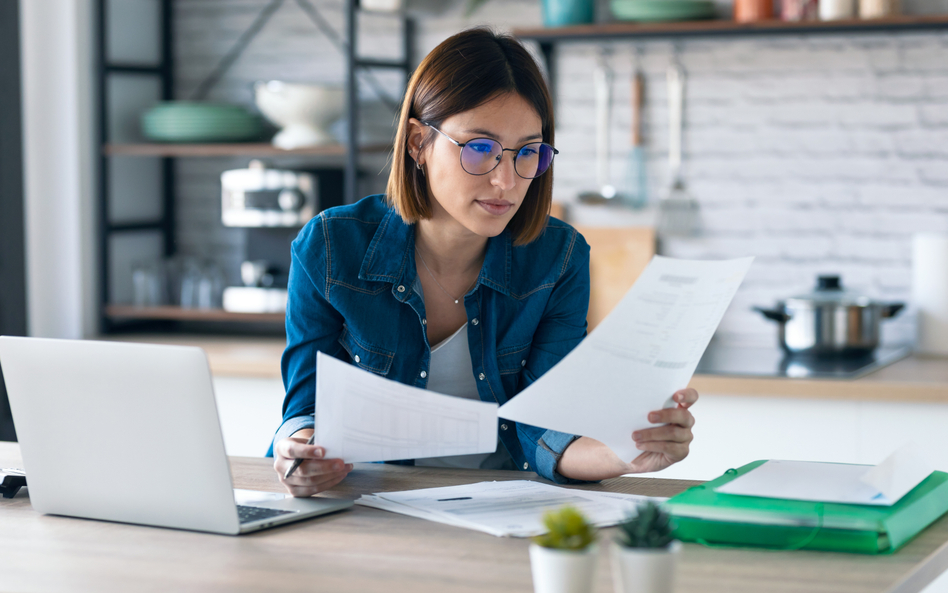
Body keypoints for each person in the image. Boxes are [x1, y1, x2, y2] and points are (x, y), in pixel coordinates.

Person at [270, 28, 698, 497]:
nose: (506, 181)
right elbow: (305, 410)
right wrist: (302, 454)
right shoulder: (331, 246)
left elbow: (547, 431)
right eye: (479, 148)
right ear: (418, 142)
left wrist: (625, 452)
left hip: (503, 505)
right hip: (372, 504)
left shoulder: (559, 257)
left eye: (528, 153)